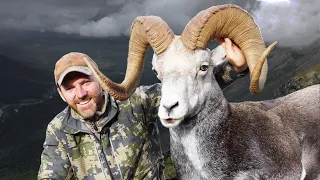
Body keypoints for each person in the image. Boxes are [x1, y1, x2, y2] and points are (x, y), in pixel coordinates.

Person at [38, 38, 249, 180]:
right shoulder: (58, 130)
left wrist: (236, 68)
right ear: (61, 93)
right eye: (70, 88)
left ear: (100, 80)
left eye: (85, 82)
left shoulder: (135, 101)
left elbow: (190, 91)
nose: (80, 93)